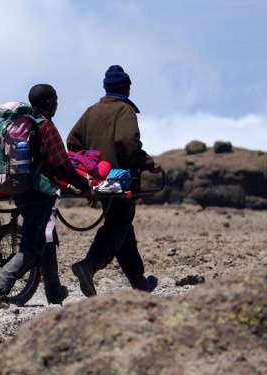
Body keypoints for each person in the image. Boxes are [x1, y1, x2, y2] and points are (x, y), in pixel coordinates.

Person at [0, 84, 89, 308]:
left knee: (46, 236)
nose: (57, 104)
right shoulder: (44, 125)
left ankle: (54, 291)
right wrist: (83, 185)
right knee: (32, 247)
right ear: (48, 102)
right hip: (40, 193)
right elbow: (61, 164)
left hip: (21, 189)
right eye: (55, 99)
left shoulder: (21, 123)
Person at [66, 65, 161, 297]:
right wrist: (146, 162)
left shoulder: (92, 111)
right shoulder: (124, 110)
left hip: (98, 181)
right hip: (121, 180)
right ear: (127, 88)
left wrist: (92, 165)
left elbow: (72, 141)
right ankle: (89, 265)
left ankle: (139, 283)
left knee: (122, 228)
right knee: (118, 225)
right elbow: (126, 142)